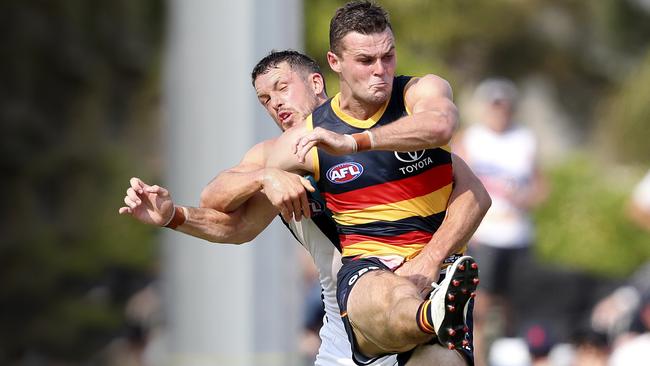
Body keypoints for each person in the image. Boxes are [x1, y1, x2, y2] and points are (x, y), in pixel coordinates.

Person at [121, 50, 491, 366]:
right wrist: (176, 214)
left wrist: (428, 261)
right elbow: (229, 215)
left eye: (282, 88)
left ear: (317, 83)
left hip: (415, 302)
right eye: (265, 99)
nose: (276, 103)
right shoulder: (275, 156)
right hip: (343, 329)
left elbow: (475, 195)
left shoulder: (374, 132)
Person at [256, 2, 490, 364]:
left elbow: (443, 130)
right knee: (383, 293)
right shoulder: (300, 142)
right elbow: (234, 221)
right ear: (335, 63)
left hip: (438, 272)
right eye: (366, 61)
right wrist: (264, 178)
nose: (380, 71)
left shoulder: (419, 93)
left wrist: (355, 142)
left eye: (388, 57)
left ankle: (435, 313)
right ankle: (431, 316)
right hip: (367, 268)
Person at [454, 77, 548, 366]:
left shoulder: (524, 139)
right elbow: (454, 184)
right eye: (494, 106)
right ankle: (477, 359)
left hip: (517, 234)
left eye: (503, 106)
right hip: (485, 234)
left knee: (514, 305)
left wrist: (526, 198)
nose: (499, 111)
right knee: (480, 305)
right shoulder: (471, 139)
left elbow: (540, 186)